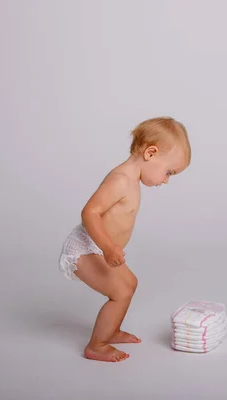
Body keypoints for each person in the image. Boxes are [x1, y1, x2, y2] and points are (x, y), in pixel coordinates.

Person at [57, 116, 191, 362]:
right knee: (120, 292)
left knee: (130, 284)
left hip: (98, 248)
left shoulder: (132, 179)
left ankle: (111, 329)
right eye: (168, 172)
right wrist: (108, 247)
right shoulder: (120, 179)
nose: (166, 180)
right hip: (85, 247)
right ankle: (96, 345)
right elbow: (90, 212)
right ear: (151, 153)